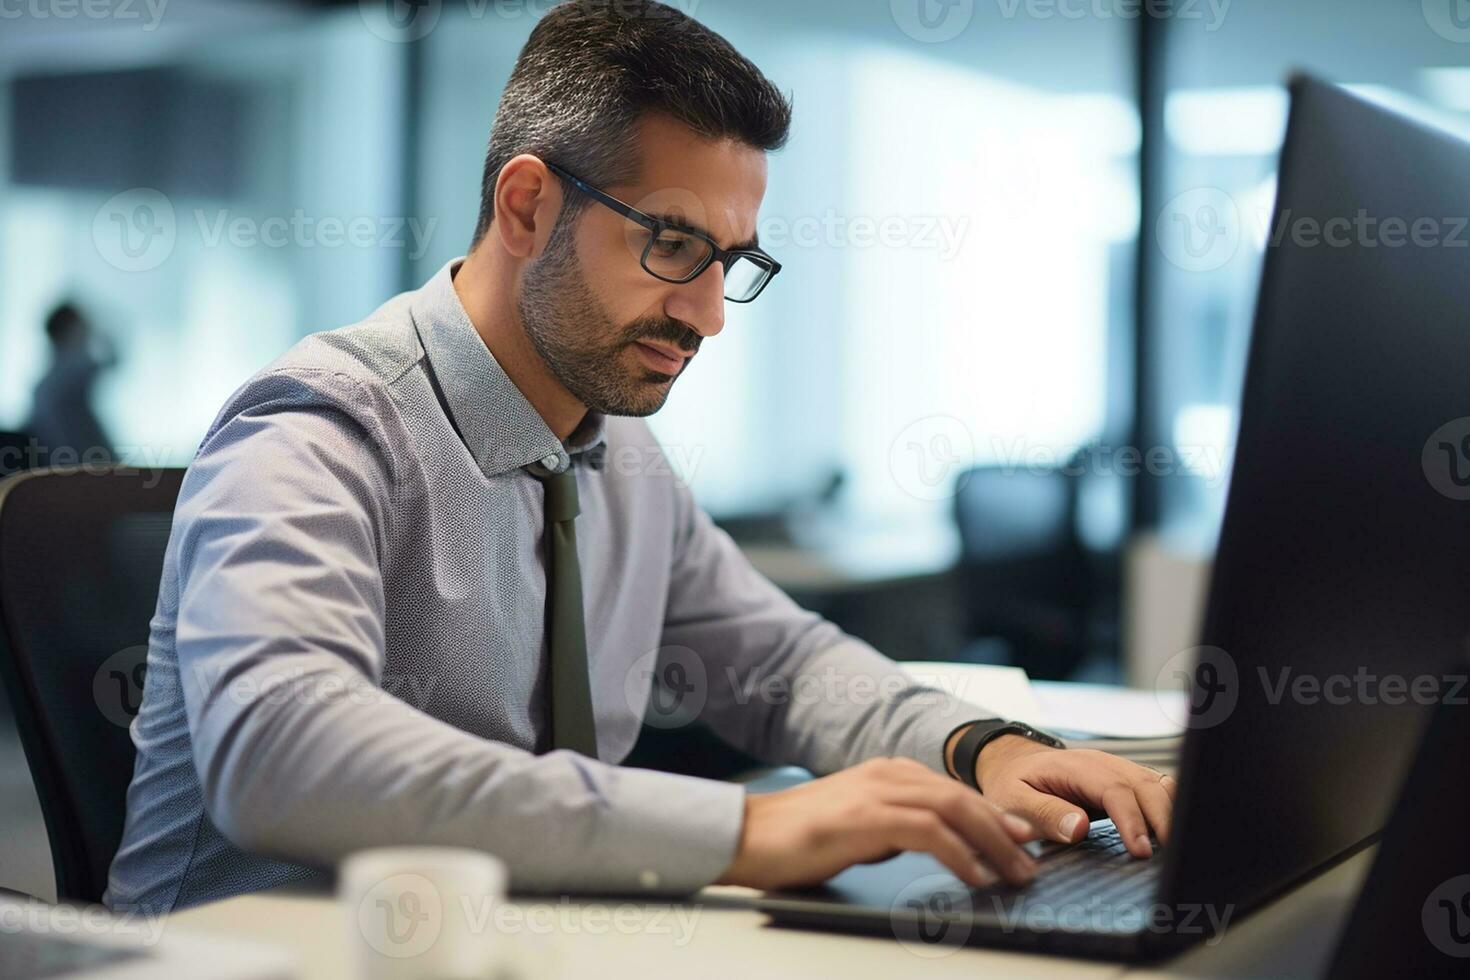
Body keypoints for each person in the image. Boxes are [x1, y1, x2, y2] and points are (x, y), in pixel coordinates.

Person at [105, 0, 1175, 916]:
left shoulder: (617, 448)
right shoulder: (319, 427)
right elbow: (283, 752)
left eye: (732, 260)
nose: (709, 312)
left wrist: (985, 747)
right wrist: (747, 828)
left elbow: (783, 663)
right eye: (671, 242)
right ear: (527, 206)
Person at [25, 300, 116, 465]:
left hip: (70, 472)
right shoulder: (72, 373)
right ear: (71, 330)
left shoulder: (43, 386)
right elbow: (113, 360)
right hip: (90, 473)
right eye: (82, 326)